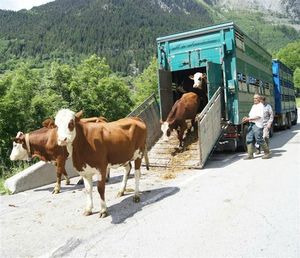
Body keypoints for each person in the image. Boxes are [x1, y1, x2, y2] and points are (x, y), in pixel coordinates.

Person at [242, 94, 271, 159]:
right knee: (249, 139)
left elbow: (258, 116)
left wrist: (248, 119)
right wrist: (247, 118)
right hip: (251, 124)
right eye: (254, 98)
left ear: (259, 99)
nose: (254, 99)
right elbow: (251, 115)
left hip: (257, 125)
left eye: (256, 98)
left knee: (259, 139)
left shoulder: (261, 106)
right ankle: (250, 155)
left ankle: (267, 153)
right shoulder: (254, 106)